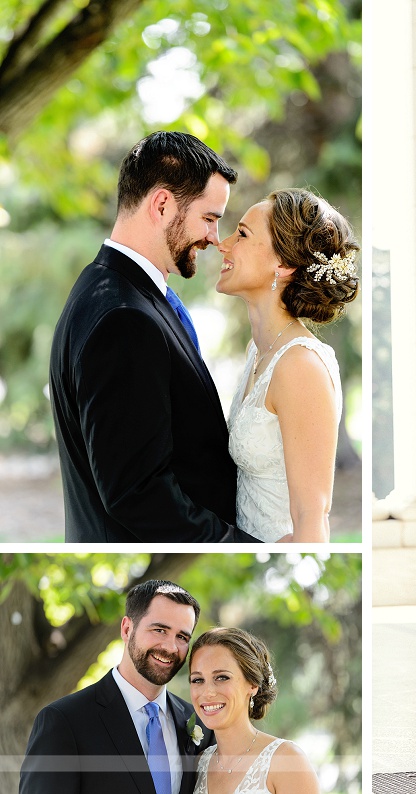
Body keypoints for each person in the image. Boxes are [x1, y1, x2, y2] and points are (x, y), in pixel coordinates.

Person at [50, 131, 258, 542]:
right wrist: (233, 543)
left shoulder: (106, 289)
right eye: (210, 218)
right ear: (162, 204)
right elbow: (138, 492)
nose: (215, 239)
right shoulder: (123, 317)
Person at [216, 188, 359, 542]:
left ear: (283, 264)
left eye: (243, 234)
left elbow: (311, 521)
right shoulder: (258, 351)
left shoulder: (301, 366)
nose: (224, 244)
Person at [20, 580, 213, 794]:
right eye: (159, 630)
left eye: (182, 637)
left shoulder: (201, 723)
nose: (170, 647)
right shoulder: (64, 721)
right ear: (127, 629)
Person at [188, 627, 318, 794]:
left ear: (252, 684)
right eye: (198, 680)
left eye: (222, 677)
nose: (208, 692)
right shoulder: (199, 764)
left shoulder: (286, 761)